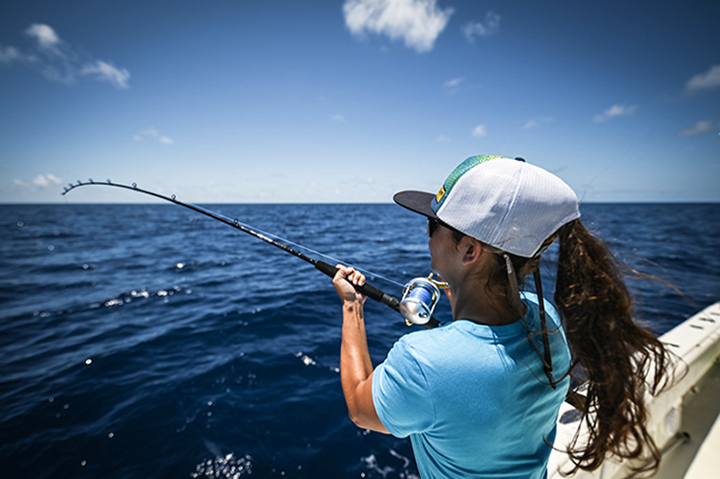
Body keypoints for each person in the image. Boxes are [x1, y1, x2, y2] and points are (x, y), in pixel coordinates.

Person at [332, 155, 671, 479]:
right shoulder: (548, 322)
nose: (430, 236)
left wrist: (352, 307)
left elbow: (360, 411)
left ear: (469, 250)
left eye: (433, 225)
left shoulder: (422, 360)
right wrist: (461, 291)